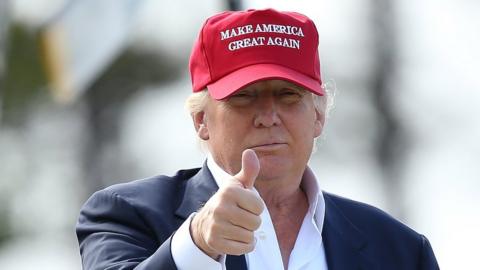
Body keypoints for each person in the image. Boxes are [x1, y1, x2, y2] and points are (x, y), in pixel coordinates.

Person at [76, 8, 439, 270]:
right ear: (201, 120)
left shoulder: (400, 250)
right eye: (243, 96)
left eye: (288, 95)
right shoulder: (125, 215)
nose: (268, 116)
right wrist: (197, 244)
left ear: (318, 116)